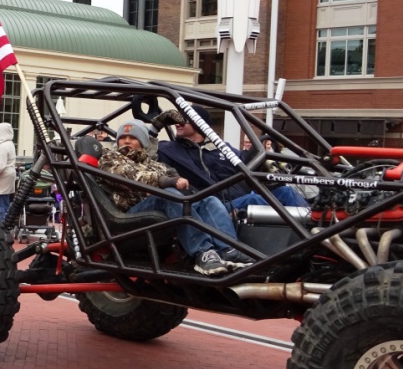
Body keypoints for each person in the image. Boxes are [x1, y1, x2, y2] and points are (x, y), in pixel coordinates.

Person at [99, 120, 252, 276]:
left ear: (143, 141)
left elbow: (175, 177)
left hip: (157, 205)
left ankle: (228, 249)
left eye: (132, 138)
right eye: (122, 138)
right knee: (169, 194)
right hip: (128, 214)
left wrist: (183, 184)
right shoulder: (110, 158)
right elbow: (128, 175)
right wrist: (164, 181)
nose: (126, 141)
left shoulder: (154, 164)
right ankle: (203, 252)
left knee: (208, 201)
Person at [154, 104, 309, 210]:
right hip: (215, 204)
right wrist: (155, 127)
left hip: (241, 197)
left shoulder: (223, 148)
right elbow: (144, 152)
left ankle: (313, 230)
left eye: (183, 121)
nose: (177, 124)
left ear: (199, 124)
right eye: (176, 121)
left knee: (285, 192)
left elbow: (247, 161)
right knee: (256, 200)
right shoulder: (169, 149)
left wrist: (266, 162)